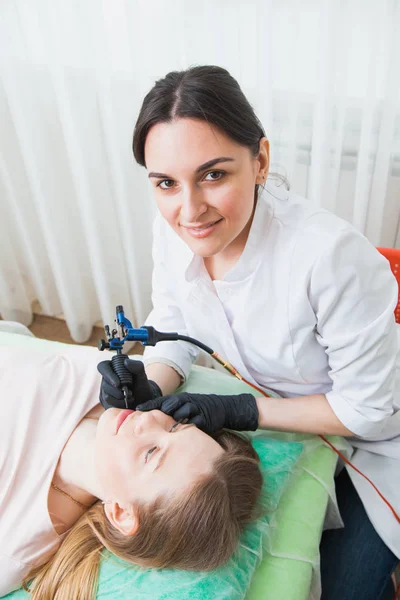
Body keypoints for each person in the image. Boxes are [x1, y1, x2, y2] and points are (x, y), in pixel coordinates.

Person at [98, 64, 400, 600]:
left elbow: (368, 411)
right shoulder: (174, 234)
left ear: (259, 160)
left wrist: (244, 411)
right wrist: (152, 384)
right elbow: (175, 324)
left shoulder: (329, 259)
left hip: (379, 443)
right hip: (295, 422)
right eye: (166, 183)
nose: (189, 210)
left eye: (213, 175)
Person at [0, 343, 263, 599]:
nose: (150, 419)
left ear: (122, 513)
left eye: (152, 453)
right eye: (176, 427)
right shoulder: (108, 386)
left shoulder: (14, 544)